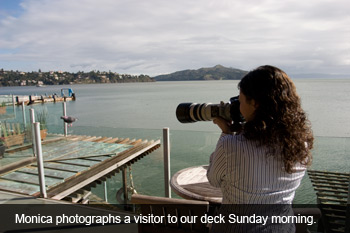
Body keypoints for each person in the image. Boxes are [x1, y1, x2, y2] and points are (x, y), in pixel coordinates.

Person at [207, 65, 314, 232]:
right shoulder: (301, 144)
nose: (239, 107)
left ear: (255, 103)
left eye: (241, 101)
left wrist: (226, 134)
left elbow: (213, 180)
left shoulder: (231, 146)